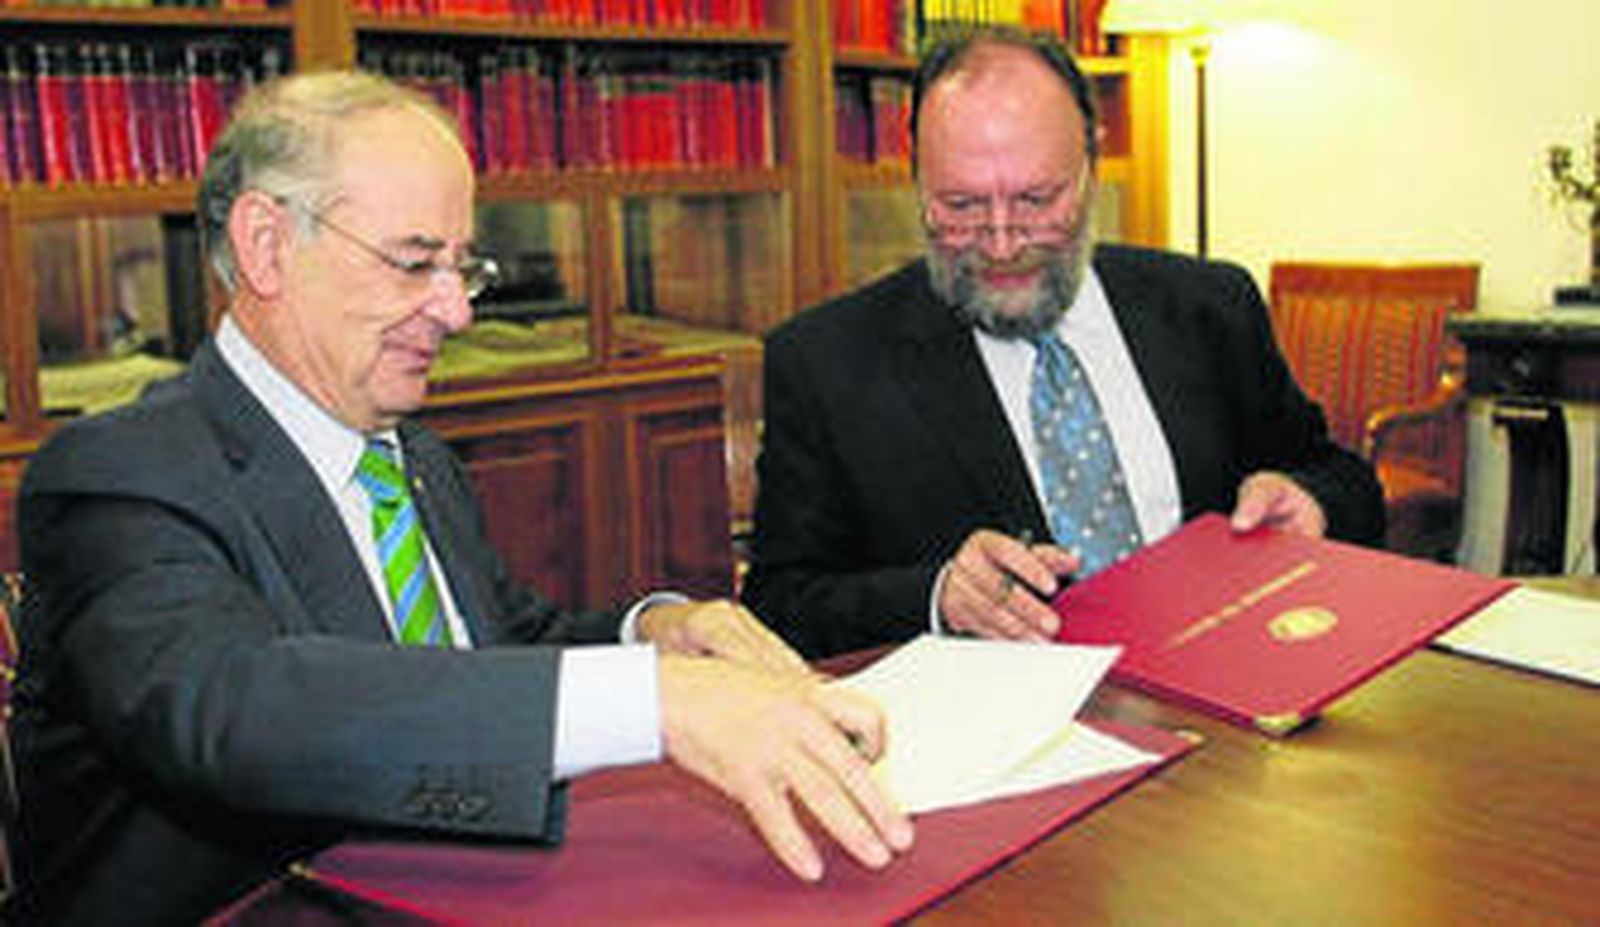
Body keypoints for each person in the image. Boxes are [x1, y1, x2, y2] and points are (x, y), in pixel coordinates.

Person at [6, 72, 911, 926]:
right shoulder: (119, 473)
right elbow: (239, 708)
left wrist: (654, 632)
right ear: (267, 245)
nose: (458, 311)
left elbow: (497, 648)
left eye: (461, 268)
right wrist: (656, 701)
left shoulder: (417, 459)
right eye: (412, 264)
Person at [741, 28, 1385, 659]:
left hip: (1227, 705)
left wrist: (1312, 504)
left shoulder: (1209, 307)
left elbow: (1339, 479)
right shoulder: (827, 363)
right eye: (961, 205)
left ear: (1089, 169)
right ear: (916, 184)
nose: (1000, 242)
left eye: (1035, 199)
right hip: (999, 741)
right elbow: (780, 605)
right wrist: (936, 597)